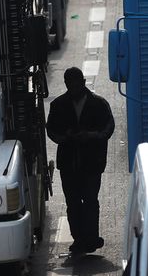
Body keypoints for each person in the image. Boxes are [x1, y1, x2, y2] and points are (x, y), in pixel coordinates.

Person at [46, 67, 115, 255]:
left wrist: (93, 136)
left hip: (92, 163)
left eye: (77, 84)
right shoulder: (58, 105)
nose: (74, 87)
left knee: (91, 200)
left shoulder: (99, 104)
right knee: (73, 202)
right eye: (71, 84)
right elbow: (51, 129)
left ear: (83, 83)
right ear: (66, 84)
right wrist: (64, 137)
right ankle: (79, 238)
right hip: (69, 164)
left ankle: (91, 238)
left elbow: (109, 126)